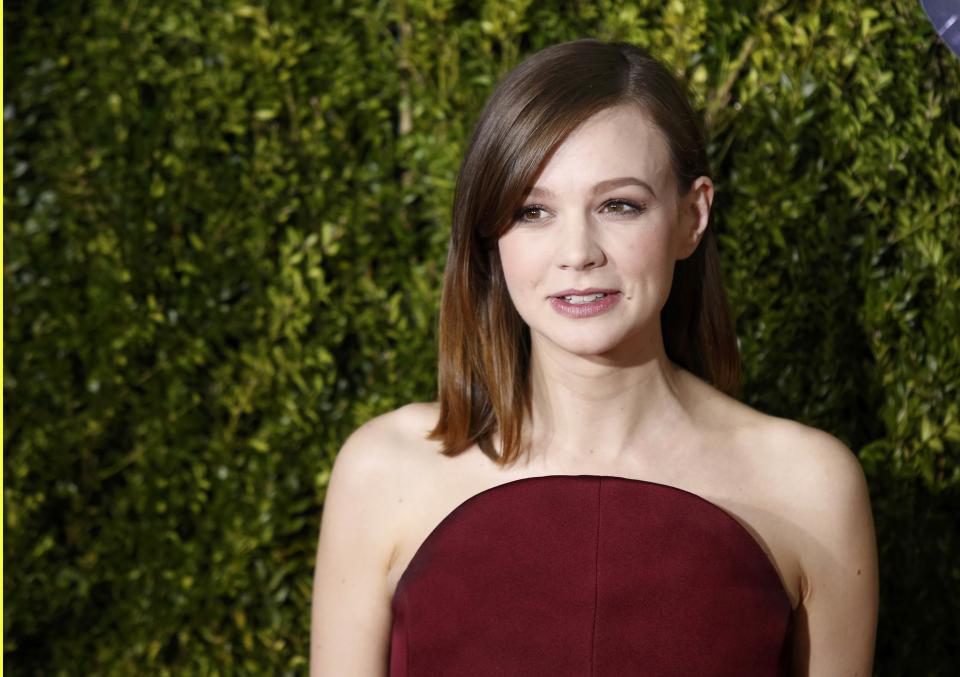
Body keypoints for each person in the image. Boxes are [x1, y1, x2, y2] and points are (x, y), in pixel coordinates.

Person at [310, 39, 878, 676]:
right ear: (490, 234)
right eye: (533, 211)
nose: (577, 252)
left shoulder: (811, 485)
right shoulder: (383, 474)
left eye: (619, 206)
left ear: (693, 216)